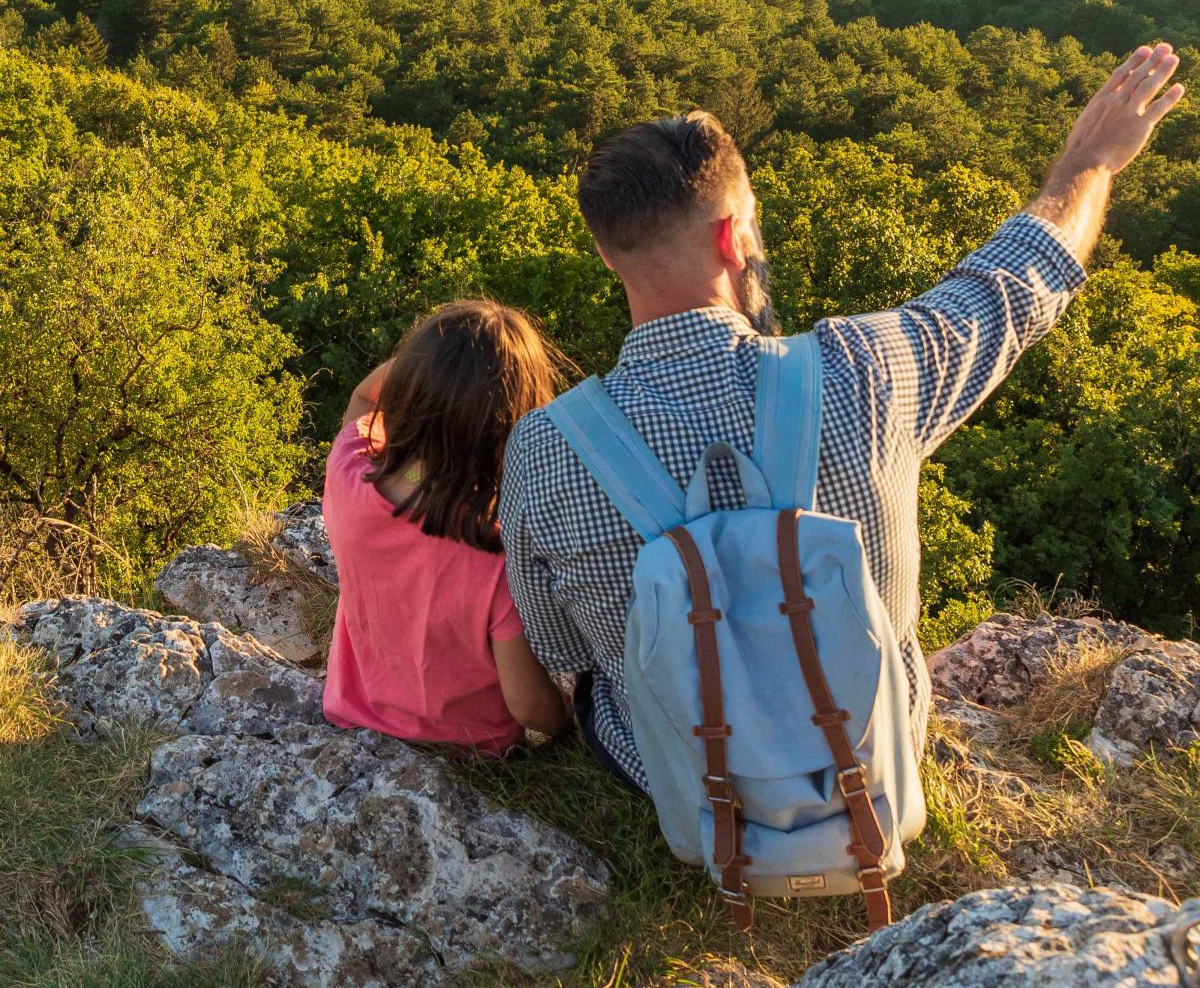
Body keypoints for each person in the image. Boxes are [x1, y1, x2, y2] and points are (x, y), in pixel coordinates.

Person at [499, 42, 1184, 793]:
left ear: (606, 253)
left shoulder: (544, 448)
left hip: (686, 787)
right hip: (870, 765)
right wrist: (1088, 163)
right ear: (735, 236)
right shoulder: (870, 366)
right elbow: (1019, 284)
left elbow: (561, 647)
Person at [323, 299, 570, 753]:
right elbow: (530, 707)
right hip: (469, 747)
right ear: (513, 426)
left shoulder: (349, 476)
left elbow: (363, 399)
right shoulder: (496, 555)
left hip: (354, 718)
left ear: (412, 390)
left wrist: (433, 363)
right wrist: (570, 719)